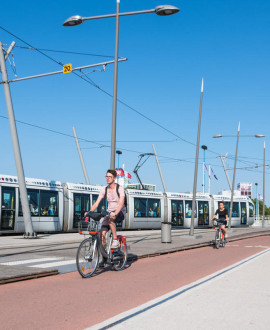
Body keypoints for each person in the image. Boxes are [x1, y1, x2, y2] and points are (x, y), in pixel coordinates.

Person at [86, 169, 126, 254]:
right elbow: (96, 203)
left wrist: (115, 213)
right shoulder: (104, 189)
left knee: (110, 218)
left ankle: (115, 240)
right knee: (102, 235)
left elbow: (121, 203)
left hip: (120, 212)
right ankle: (105, 256)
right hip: (109, 212)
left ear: (114, 178)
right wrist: (89, 212)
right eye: (106, 176)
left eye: (110, 177)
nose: (107, 178)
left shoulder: (119, 188)